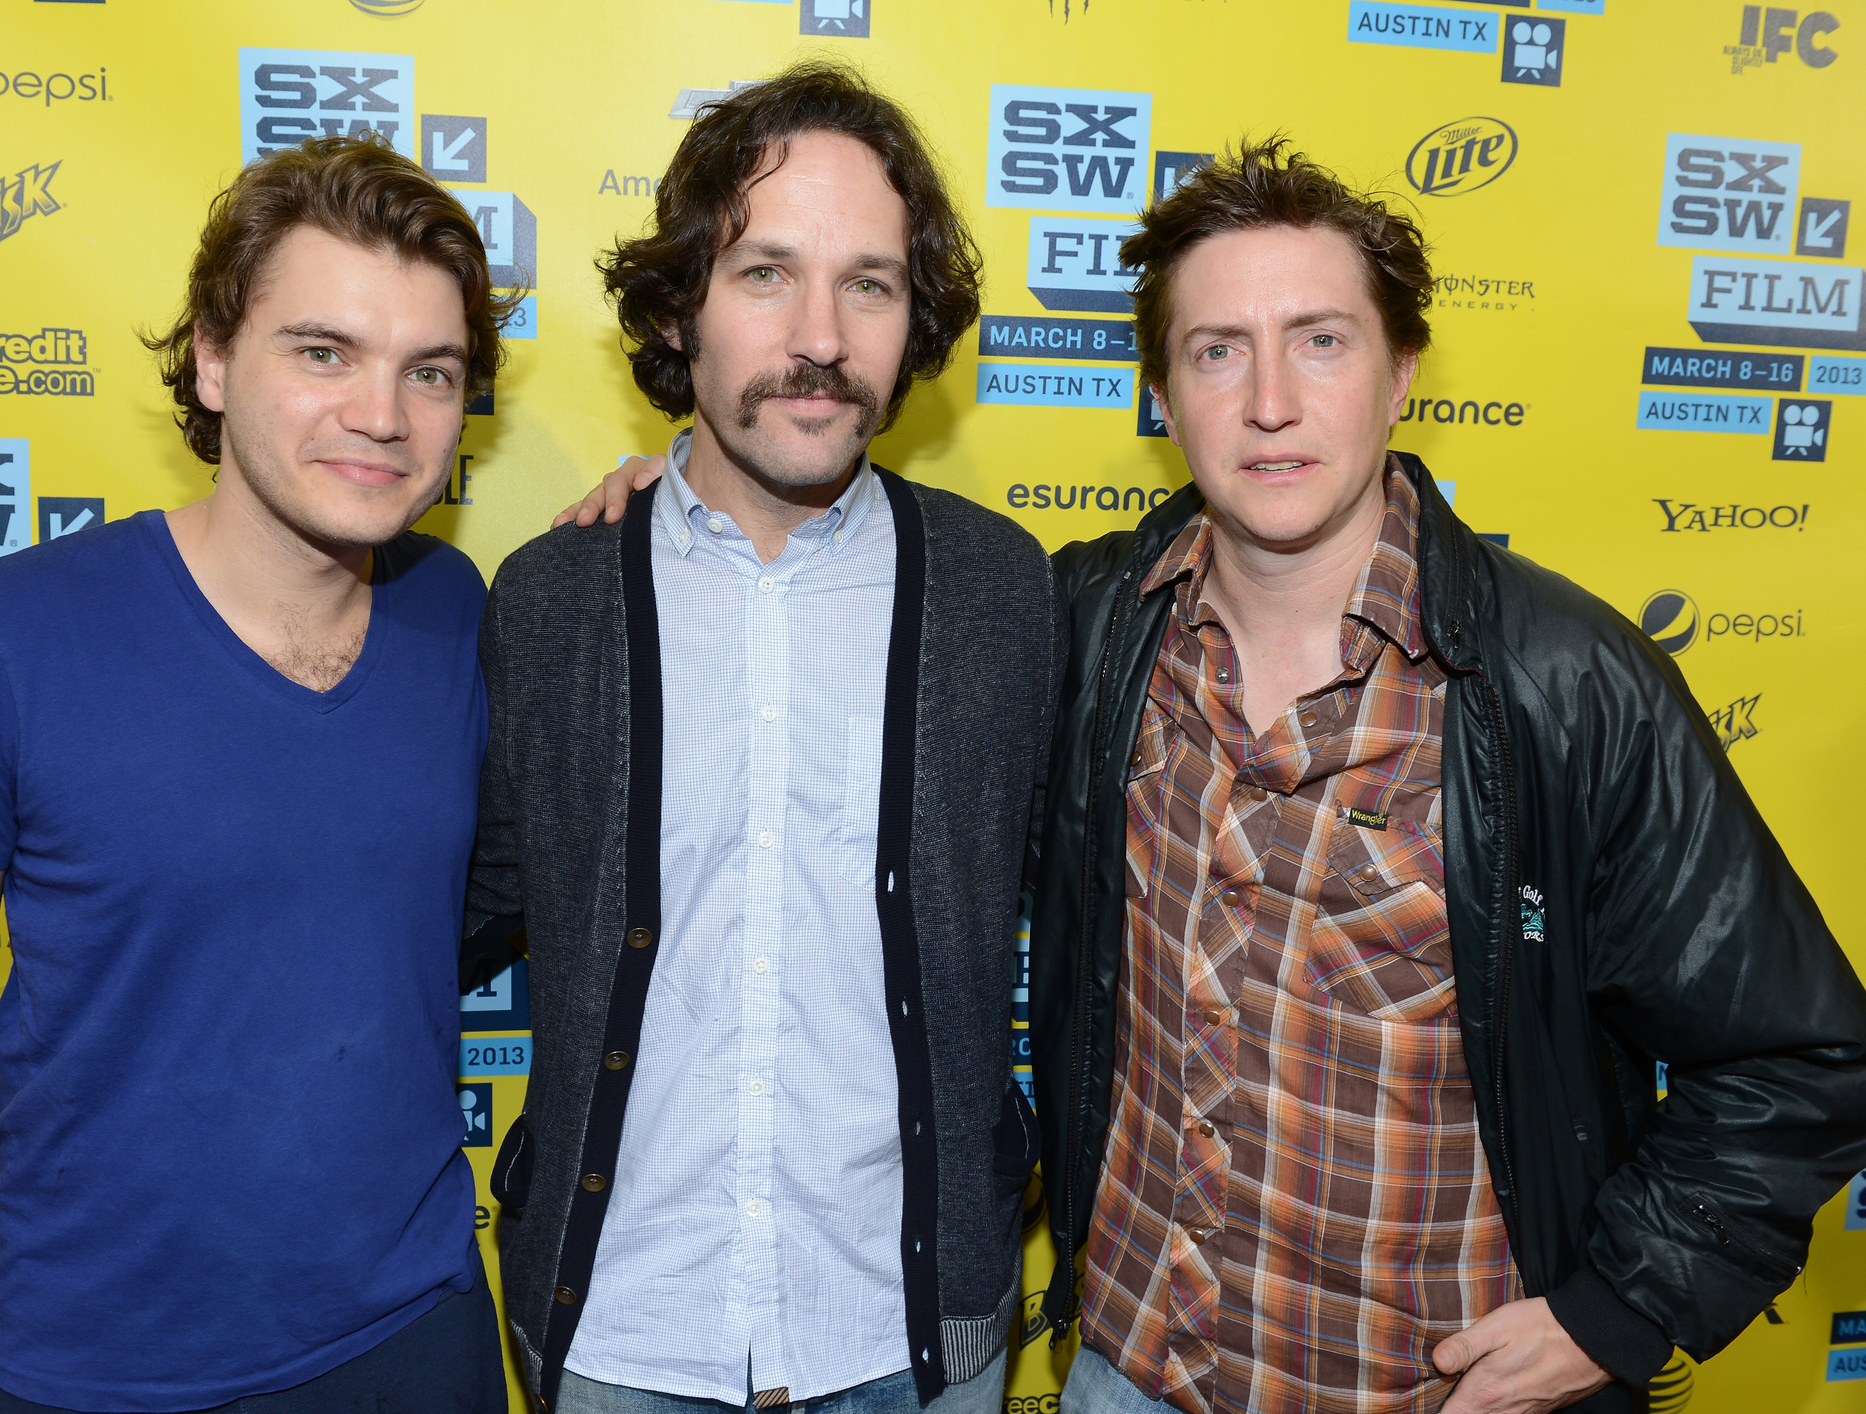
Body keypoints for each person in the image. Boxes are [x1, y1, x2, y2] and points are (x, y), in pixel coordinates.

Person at [1025, 139, 1866, 1414]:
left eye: (1319, 340)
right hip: (1127, 1371)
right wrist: (677, 494)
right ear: (1161, 390)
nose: (1267, 401)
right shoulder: (1089, 623)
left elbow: (1797, 1056)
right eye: (1215, 350)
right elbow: (862, 603)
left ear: (1399, 372)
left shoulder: (1561, 681)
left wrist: (1624, 1306)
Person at [0, 134, 513, 1414]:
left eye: (428, 370)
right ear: (211, 361)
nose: (381, 413)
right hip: (108, 1366)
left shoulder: (459, 617)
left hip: (419, 1336)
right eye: (322, 352)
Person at [461, 63, 1062, 1414]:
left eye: (871, 283)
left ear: (917, 322)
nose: (820, 336)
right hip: (620, 1332)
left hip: (913, 1341)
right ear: (682, 306)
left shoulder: (1004, 590)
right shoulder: (551, 600)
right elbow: (447, 904)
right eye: (763, 273)